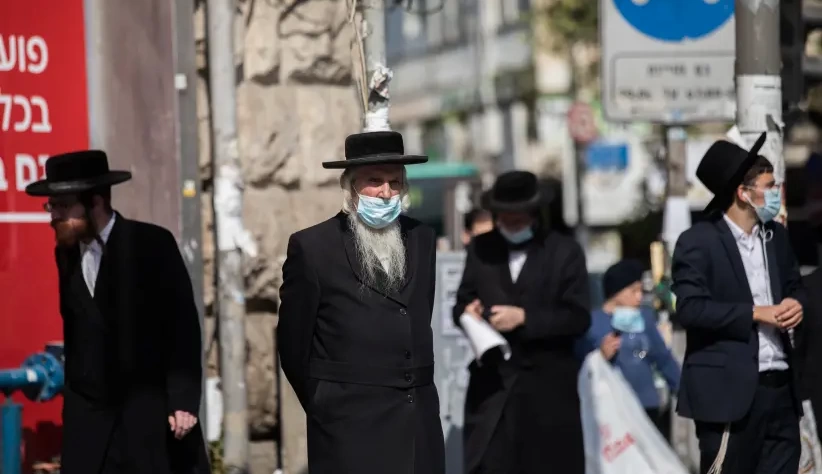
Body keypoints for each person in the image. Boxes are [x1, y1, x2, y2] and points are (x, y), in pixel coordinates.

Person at [25, 150, 209, 474]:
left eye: (63, 206)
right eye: (51, 206)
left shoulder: (152, 244)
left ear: (95, 202)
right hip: (90, 429)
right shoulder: (65, 254)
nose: (52, 215)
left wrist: (183, 399)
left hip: (147, 420)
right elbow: (78, 334)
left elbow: (182, 326)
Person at [276, 131, 445, 474]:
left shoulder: (421, 238)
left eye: (395, 183)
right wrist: (327, 402)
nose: (385, 193)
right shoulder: (313, 247)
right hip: (348, 427)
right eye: (375, 181)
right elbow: (294, 346)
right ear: (350, 186)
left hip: (416, 425)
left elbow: (414, 315)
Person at [671, 133, 806, 474]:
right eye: (769, 185)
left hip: (781, 390)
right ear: (744, 193)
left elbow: (795, 286)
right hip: (730, 396)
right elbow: (689, 308)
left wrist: (797, 304)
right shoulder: (697, 242)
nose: (776, 192)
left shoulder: (776, 237)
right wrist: (753, 313)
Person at [452, 170, 591, 474]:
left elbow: (578, 317)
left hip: (549, 392)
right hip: (494, 391)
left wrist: (525, 318)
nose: (512, 222)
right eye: (505, 215)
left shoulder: (564, 251)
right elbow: (462, 301)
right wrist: (469, 313)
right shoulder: (481, 248)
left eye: (519, 215)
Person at [575, 259, 680, 433]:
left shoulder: (644, 319)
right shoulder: (592, 324)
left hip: (646, 405)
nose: (639, 296)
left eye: (640, 290)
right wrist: (600, 355)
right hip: (611, 410)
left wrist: (683, 390)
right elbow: (580, 364)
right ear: (616, 292)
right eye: (633, 291)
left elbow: (663, 359)